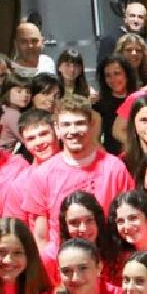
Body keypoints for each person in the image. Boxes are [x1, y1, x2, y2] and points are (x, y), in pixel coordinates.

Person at [18, 94, 134, 247]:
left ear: (91, 126)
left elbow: (130, 218)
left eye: (79, 123)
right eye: (66, 125)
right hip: (61, 264)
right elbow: (40, 237)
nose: (73, 131)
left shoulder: (114, 168)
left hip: (107, 260)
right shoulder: (42, 175)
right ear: (57, 130)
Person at [98, 0, 147, 64]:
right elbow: (102, 67)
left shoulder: (146, 41)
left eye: (140, 17)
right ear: (125, 18)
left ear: (145, 21)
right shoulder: (110, 40)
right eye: (132, 16)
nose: (136, 20)